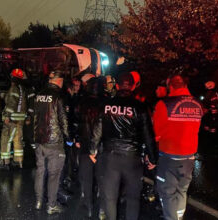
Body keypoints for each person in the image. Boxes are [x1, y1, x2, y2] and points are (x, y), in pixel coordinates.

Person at [91, 73, 157, 220]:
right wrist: (152, 158)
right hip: (132, 159)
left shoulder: (106, 105)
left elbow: (97, 129)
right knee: (133, 198)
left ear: (118, 86)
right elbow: (148, 135)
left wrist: (92, 149)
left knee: (110, 197)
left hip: (110, 157)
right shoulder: (140, 107)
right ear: (133, 86)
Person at [153, 74, 203, 220]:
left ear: (171, 86)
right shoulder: (197, 104)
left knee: (167, 192)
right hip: (189, 157)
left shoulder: (164, 104)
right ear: (185, 85)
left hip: (169, 156)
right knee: (182, 190)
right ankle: (178, 217)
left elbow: (157, 133)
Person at [34, 70, 70, 214]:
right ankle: (51, 205)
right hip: (54, 142)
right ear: (59, 80)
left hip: (40, 140)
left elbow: (35, 117)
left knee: (40, 172)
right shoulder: (59, 97)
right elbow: (63, 121)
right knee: (54, 175)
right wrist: (68, 139)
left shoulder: (39, 95)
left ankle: (38, 201)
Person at [75, 77, 103, 218]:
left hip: (85, 144)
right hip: (100, 146)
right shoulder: (105, 104)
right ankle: (100, 203)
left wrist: (76, 139)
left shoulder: (82, 103)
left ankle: (88, 203)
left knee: (86, 177)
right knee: (100, 175)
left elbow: (77, 122)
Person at [0, 68, 31, 169]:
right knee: (18, 141)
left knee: (6, 139)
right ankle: (18, 161)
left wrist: (7, 115)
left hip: (12, 119)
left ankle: (5, 162)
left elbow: (12, 103)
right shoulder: (22, 89)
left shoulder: (14, 88)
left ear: (12, 77)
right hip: (20, 120)